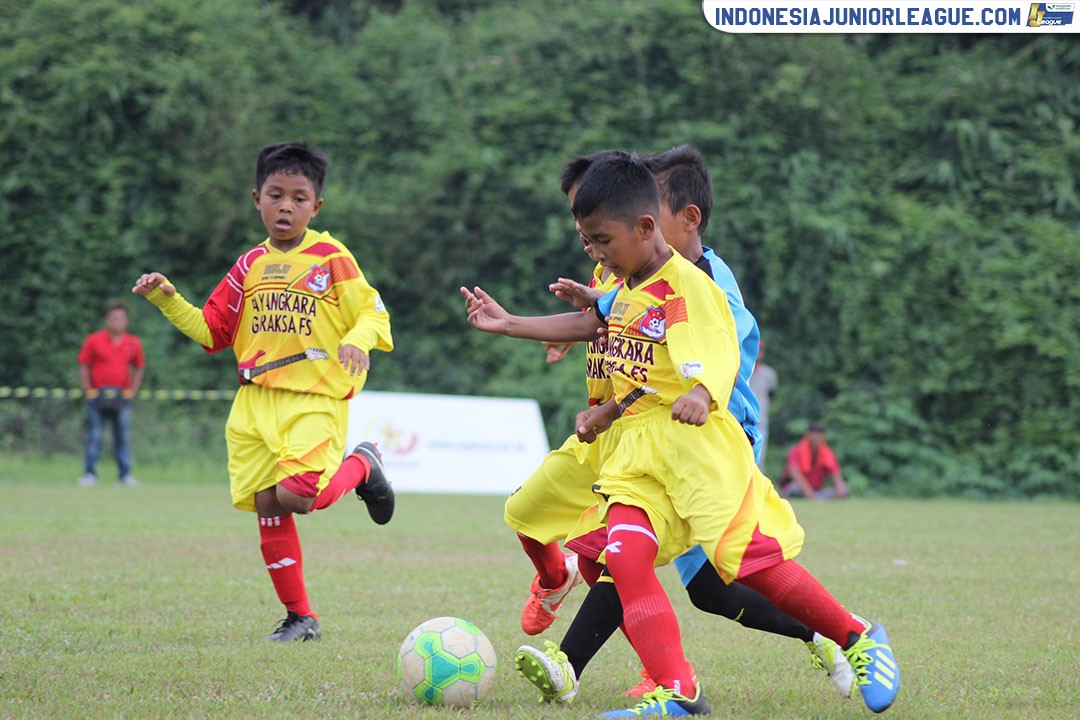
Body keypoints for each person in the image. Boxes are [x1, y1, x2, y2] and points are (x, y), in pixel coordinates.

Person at [465, 153, 898, 716]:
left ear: (649, 227)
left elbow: (711, 350)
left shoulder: (689, 287)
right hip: (638, 451)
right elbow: (631, 357)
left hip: (698, 449)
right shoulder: (624, 289)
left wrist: (701, 390)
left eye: (600, 240)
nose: (592, 253)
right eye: (585, 239)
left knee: (743, 564)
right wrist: (586, 392)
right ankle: (678, 690)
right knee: (624, 554)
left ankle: (856, 636)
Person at [132, 141, 395, 642]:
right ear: (257, 199)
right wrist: (168, 300)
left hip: (313, 401)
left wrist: (359, 341)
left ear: (315, 206)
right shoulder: (249, 264)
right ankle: (301, 618)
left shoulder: (331, 255)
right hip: (254, 404)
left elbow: (371, 311)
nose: (286, 206)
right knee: (268, 506)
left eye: (299, 197)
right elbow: (212, 331)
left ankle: (362, 464)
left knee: (298, 497)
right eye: (276, 195)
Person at [77, 300, 146, 487]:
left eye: (121, 318)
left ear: (126, 321)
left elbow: (139, 367)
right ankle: (89, 473)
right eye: (114, 318)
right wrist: (87, 390)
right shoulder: (94, 340)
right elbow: (84, 364)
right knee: (95, 436)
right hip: (97, 395)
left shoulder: (133, 343)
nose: (118, 322)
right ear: (107, 320)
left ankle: (124, 475)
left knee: (122, 436)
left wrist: (132, 390)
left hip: (121, 397)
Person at [780, 421, 849, 499]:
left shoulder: (827, 453)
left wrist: (839, 488)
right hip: (800, 488)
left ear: (823, 436)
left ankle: (818, 498)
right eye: (814, 434)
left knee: (845, 488)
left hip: (816, 491)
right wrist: (808, 492)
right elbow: (794, 472)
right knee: (794, 488)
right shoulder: (796, 450)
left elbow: (836, 474)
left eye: (819, 435)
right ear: (808, 435)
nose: (816, 438)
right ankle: (816, 498)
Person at [749, 339, 777, 469]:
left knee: (758, 459)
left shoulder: (769, 374)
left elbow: (772, 394)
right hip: (741, 419)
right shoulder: (740, 370)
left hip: (760, 420)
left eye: (759, 351)